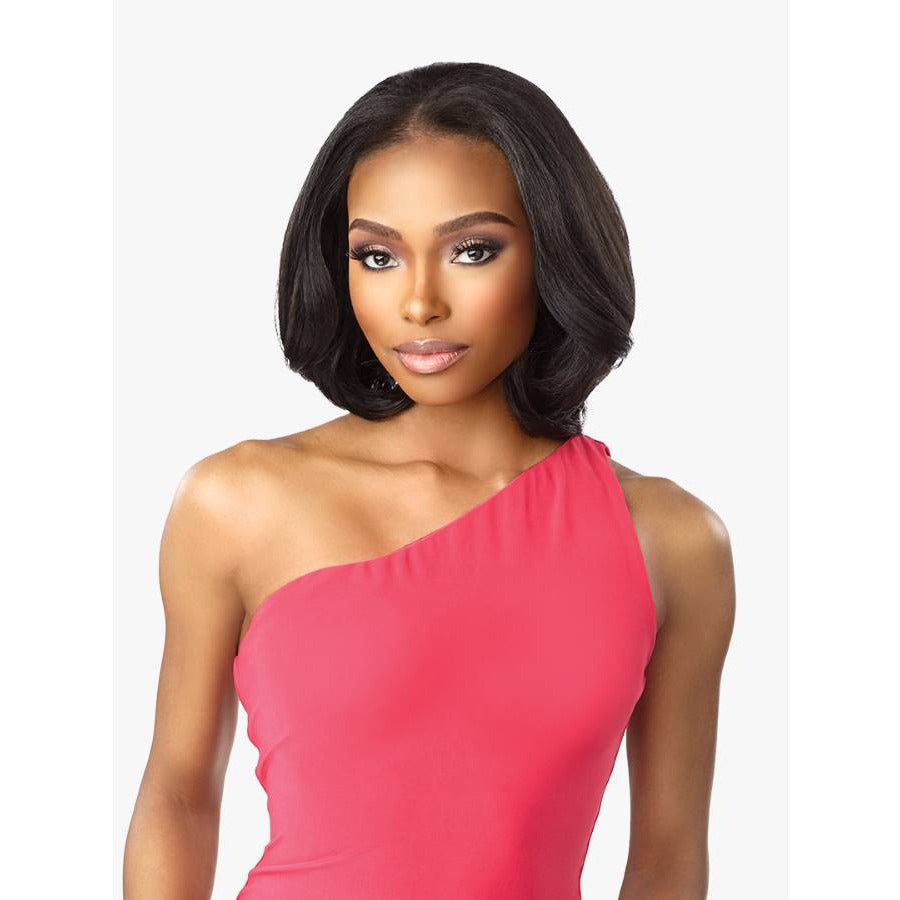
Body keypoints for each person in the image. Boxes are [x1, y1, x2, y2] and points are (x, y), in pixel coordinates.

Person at [124, 61, 735, 899]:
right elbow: (179, 795)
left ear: (554, 251)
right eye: (377, 256)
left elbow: (667, 855)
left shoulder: (672, 541)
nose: (418, 304)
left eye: (472, 251)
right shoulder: (238, 501)